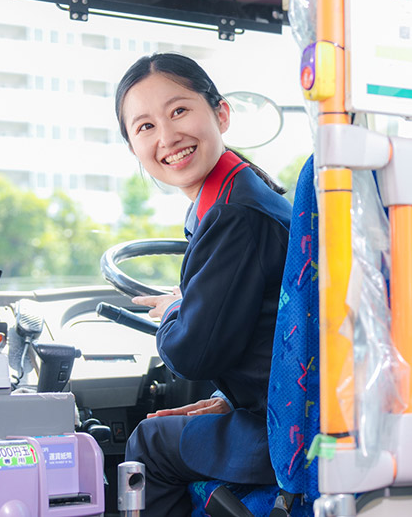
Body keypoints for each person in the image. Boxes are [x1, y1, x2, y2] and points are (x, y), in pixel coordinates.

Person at [114, 53, 291, 517]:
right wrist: (222, 399)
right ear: (133, 147)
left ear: (222, 113)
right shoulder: (242, 190)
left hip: (281, 432)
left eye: (178, 111)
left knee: (148, 441)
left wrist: (175, 310)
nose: (167, 137)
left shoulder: (234, 215)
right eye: (145, 127)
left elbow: (194, 354)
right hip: (285, 407)